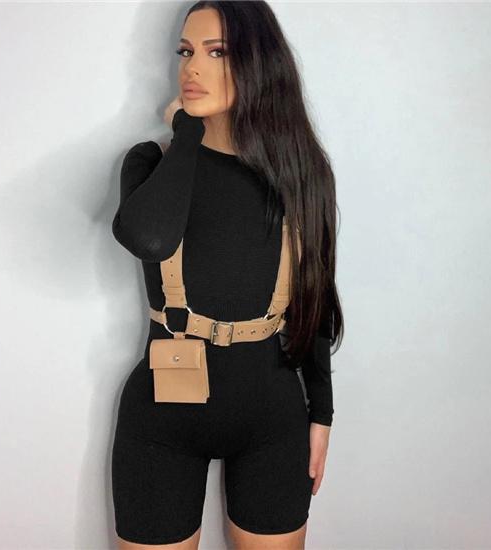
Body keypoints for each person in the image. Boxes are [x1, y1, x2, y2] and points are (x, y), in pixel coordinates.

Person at [110, 2, 344, 549]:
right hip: (161, 423)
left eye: (217, 53)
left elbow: (315, 298)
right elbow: (148, 238)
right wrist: (186, 132)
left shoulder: (301, 174)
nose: (193, 67)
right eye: (186, 52)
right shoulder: (150, 163)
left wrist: (323, 412)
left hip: (272, 419)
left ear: (260, 63)